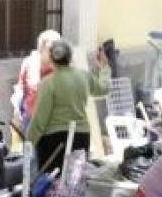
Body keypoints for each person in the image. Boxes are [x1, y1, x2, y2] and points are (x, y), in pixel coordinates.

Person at [26, 39, 110, 172]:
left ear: (51, 58)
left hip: (54, 140)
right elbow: (104, 89)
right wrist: (104, 68)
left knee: (51, 185)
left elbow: (39, 121)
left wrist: (29, 141)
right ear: (70, 56)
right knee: (75, 185)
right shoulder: (84, 76)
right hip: (81, 137)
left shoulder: (48, 83)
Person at [13, 29, 60, 131]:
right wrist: (16, 110)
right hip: (30, 120)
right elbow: (20, 88)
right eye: (51, 49)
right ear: (41, 48)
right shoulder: (29, 63)